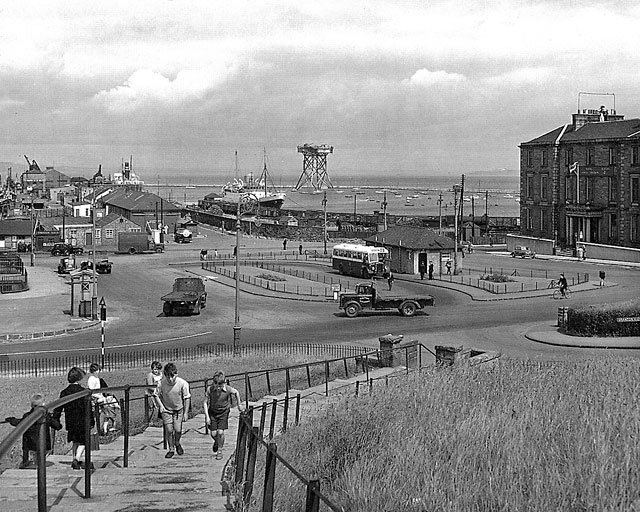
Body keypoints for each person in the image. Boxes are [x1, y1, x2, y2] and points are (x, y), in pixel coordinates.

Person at [52, 367, 94, 470]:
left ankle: (75, 460)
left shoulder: (64, 392)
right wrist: (92, 421)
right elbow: (88, 409)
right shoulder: (84, 392)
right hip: (83, 421)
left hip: (71, 421)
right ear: (79, 378)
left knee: (75, 441)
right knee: (84, 442)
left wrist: (56, 418)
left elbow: (58, 407)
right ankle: (76, 459)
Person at [5, 394, 62, 469]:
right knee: (41, 458)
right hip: (44, 444)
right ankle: (40, 470)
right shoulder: (46, 416)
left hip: (31, 444)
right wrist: (56, 419)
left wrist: (11, 420)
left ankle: (33, 465)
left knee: (35, 455)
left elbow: (19, 423)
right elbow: (57, 426)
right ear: (43, 405)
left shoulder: (27, 416)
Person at [204, 371, 243, 461]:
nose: (218, 387)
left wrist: (239, 404)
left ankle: (220, 450)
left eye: (220, 385)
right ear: (213, 383)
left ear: (224, 383)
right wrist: (207, 416)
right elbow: (205, 402)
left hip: (223, 412)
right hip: (213, 412)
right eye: (216, 385)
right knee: (213, 433)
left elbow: (236, 392)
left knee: (220, 432)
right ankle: (217, 442)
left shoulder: (228, 389)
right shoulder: (210, 390)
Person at [154, 362, 191, 459]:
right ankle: (171, 449)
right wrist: (161, 406)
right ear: (165, 376)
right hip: (167, 410)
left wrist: (186, 413)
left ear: (176, 374)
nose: (170, 379)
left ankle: (177, 442)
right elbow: (156, 395)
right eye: (168, 377)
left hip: (178, 410)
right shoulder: (161, 383)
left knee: (178, 430)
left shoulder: (182, 383)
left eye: (172, 376)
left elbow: (187, 397)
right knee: (169, 430)